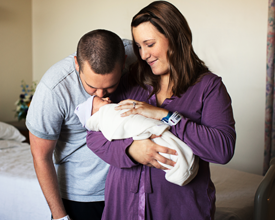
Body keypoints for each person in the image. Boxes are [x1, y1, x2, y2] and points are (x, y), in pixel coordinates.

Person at [86, 1, 236, 220]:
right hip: (123, 207)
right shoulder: (131, 81)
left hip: (180, 209)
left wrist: (166, 116)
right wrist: (130, 150)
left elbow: (222, 150)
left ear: (174, 37)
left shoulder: (209, 87)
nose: (144, 54)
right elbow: (94, 136)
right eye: (139, 46)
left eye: (149, 44)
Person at [25, 30, 141, 220]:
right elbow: (40, 156)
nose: (101, 94)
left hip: (130, 189)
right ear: (77, 63)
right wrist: (59, 216)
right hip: (82, 197)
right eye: (92, 86)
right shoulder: (54, 89)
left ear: (123, 63)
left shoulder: (136, 55)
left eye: (110, 86)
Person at [74, 95, 199, 186]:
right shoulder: (105, 116)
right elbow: (123, 124)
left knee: (168, 146)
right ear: (92, 113)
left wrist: (163, 116)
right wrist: (134, 145)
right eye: (101, 100)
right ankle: (181, 166)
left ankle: (183, 165)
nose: (107, 98)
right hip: (148, 136)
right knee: (166, 151)